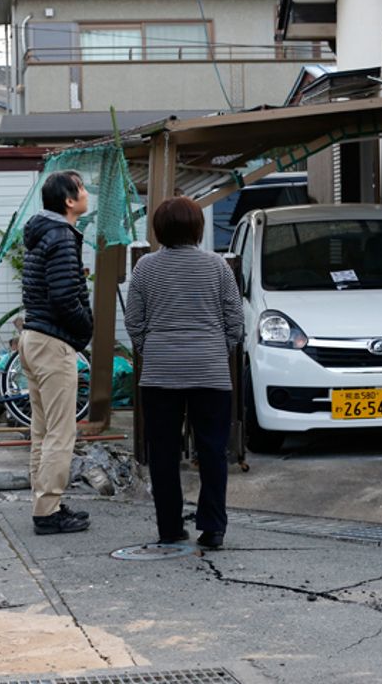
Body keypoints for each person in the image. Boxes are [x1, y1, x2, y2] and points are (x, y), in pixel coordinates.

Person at [124, 196, 244, 550]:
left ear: (159, 229)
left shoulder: (145, 268)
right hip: (210, 371)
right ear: (197, 227)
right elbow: (235, 321)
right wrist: (213, 352)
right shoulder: (218, 267)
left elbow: (133, 322)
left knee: (162, 452)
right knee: (212, 450)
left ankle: (170, 528)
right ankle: (213, 529)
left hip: (161, 373)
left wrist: (154, 349)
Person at [19, 170, 93, 535]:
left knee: (42, 431)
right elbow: (65, 297)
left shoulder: (40, 233)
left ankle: (45, 504)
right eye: (81, 189)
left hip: (33, 337)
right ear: (68, 200)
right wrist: (86, 327)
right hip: (52, 342)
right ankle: (48, 513)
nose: (86, 193)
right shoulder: (62, 236)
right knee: (61, 433)